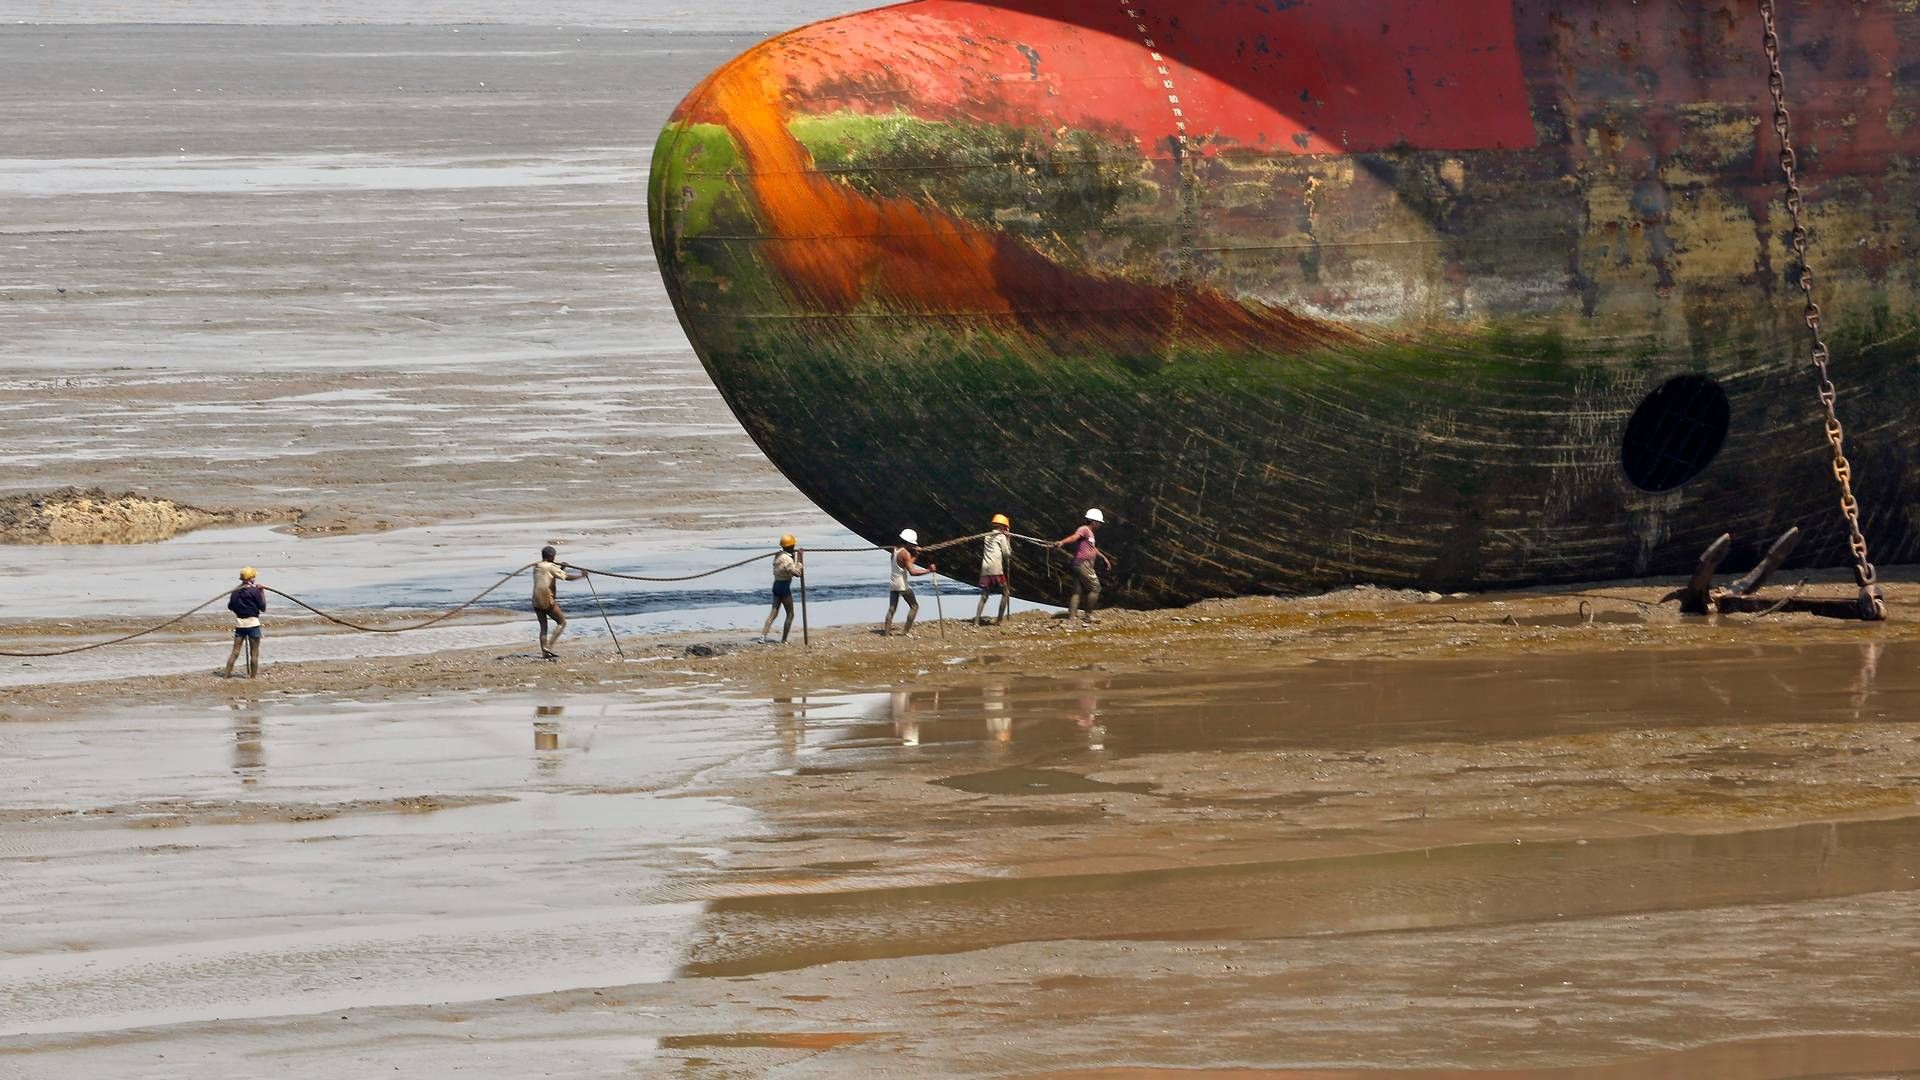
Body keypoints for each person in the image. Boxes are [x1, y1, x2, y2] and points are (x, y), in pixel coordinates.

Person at [1056, 508, 1113, 624]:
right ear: (1094, 521)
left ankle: (1071, 618)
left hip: (1079, 564)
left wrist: (1103, 557)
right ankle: (1088, 615)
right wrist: (1062, 542)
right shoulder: (1084, 529)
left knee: (1077, 591)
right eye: (1099, 523)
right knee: (1095, 588)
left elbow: (1092, 548)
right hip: (1083, 564)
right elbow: (1074, 537)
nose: (1100, 525)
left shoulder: (1090, 534)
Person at [533, 545, 585, 658]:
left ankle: (544, 652)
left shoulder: (537, 566)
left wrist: (562, 568)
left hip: (536, 601)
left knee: (543, 627)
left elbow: (550, 575)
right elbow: (566, 577)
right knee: (562, 622)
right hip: (547, 599)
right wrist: (581, 576)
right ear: (551, 556)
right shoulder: (551, 566)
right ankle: (548, 647)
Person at [884, 529, 936, 636]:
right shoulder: (905, 553)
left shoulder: (895, 550)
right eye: (912, 544)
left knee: (892, 609)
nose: (913, 546)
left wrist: (916, 555)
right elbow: (912, 571)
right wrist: (929, 570)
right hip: (902, 585)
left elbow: (905, 564)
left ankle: (886, 633)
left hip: (893, 583)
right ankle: (905, 632)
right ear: (907, 542)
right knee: (914, 606)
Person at [222, 566, 267, 678]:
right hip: (253, 624)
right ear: (252, 578)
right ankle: (252, 677)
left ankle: (226, 676)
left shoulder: (235, 592)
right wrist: (261, 592)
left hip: (240, 624)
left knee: (235, 652)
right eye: (254, 576)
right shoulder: (255, 591)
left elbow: (230, 606)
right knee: (254, 653)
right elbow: (263, 608)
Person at [762, 534, 804, 642]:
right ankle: (784, 640)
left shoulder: (778, 555)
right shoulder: (788, 560)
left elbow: (787, 565)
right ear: (791, 546)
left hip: (776, 585)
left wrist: (793, 556)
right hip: (784, 587)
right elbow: (797, 573)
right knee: (790, 613)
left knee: (773, 613)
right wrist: (800, 559)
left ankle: (762, 637)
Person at [974, 513, 1013, 625]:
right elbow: (1007, 554)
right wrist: (1008, 539)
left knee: (984, 595)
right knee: (1006, 592)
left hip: (985, 569)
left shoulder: (987, 536)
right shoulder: (1001, 537)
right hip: (996, 569)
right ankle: (999, 621)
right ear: (1002, 526)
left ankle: (976, 622)